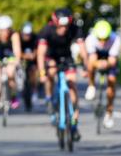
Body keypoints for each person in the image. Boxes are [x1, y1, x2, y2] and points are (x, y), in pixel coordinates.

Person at [37, 8, 87, 142]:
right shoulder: (47, 30)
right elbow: (41, 54)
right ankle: (49, 97)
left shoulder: (74, 28)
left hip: (66, 58)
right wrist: (42, 72)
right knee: (51, 73)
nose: (64, 29)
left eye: (66, 26)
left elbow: (83, 49)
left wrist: (86, 66)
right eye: (61, 26)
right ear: (55, 23)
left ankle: (74, 123)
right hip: (51, 57)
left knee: (72, 82)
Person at [84, 20, 121, 128]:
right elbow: (91, 59)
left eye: (105, 39)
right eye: (100, 39)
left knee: (112, 81)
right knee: (90, 66)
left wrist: (107, 63)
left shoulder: (115, 39)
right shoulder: (90, 39)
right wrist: (97, 63)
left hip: (109, 57)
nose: (103, 41)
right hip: (96, 56)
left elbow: (113, 60)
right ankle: (91, 86)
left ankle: (109, 113)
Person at [0, 15, 22, 112]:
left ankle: (13, 96)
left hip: (10, 54)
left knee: (11, 73)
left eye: (7, 30)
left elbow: (17, 50)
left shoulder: (14, 35)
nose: (5, 33)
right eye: (2, 30)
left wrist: (16, 61)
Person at [19, 22, 39, 111]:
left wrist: (33, 55)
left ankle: (35, 90)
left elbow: (37, 50)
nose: (27, 37)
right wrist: (23, 56)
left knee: (33, 73)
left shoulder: (35, 38)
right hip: (21, 59)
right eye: (25, 35)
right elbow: (17, 51)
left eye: (28, 35)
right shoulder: (18, 38)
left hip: (33, 60)